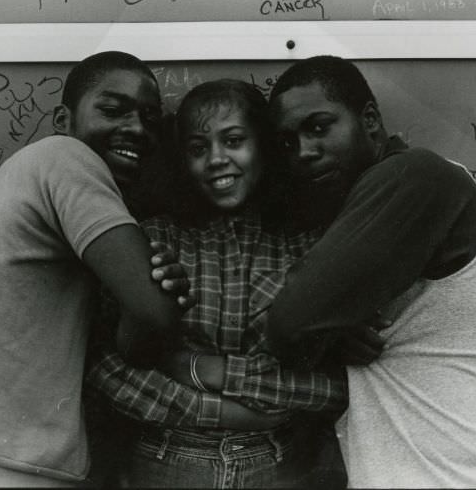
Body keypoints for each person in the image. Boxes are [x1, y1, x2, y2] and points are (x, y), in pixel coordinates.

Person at [264, 55, 476, 488]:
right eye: (288, 143)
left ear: (370, 120)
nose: (304, 151)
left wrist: (324, 327)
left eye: (320, 126)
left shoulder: (414, 175)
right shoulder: (374, 200)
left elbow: (290, 323)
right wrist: (333, 328)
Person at [0, 51, 191, 488]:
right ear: (64, 120)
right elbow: (156, 314)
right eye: (112, 110)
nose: (136, 128)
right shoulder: (65, 158)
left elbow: (139, 339)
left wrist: (147, 287)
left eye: (150, 118)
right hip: (1, 477)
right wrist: (154, 289)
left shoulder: (39, 173)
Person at [86, 79, 385, 488]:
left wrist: (206, 370)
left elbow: (346, 383)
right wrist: (218, 411)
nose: (215, 159)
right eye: (197, 148)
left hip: (281, 465)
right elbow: (104, 368)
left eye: (233, 140)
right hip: (166, 459)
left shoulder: (311, 248)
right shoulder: (153, 240)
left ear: (263, 145)